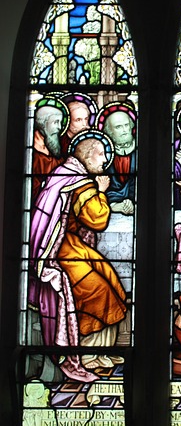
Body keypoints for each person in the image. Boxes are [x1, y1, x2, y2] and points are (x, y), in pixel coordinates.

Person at [29, 131, 127, 382]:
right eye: (101, 155)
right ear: (88, 155)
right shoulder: (79, 182)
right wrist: (101, 191)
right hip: (60, 251)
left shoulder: (65, 173)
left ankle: (100, 351)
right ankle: (88, 354)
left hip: (67, 245)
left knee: (109, 278)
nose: (104, 161)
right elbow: (97, 219)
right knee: (99, 290)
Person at [101, 106, 137, 215]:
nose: (124, 130)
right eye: (118, 127)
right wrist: (113, 205)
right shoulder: (103, 154)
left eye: (126, 125)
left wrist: (134, 203)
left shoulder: (142, 149)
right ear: (109, 131)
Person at [32, 99, 66, 201]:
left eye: (60, 123)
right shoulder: (31, 154)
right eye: (56, 122)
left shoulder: (54, 150)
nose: (59, 127)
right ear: (43, 124)